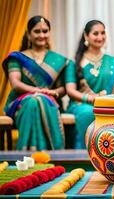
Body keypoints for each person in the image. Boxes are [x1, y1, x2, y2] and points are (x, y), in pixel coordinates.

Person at [2, 16, 68, 150]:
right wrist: (39, 91)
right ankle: (29, 151)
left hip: (48, 100)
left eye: (45, 31)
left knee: (38, 100)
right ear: (29, 34)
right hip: (20, 102)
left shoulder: (58, 60)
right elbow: (16, 84)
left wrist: (52, 92)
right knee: (34, 101)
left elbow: (63, 88)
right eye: (37, 31)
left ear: (49, 33)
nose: (41, 35)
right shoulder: (17, 57)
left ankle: (44, 153)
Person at [65, 20, 114, 149]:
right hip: (81, 104)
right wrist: (91, 98)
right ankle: (85, 155)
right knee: (90, 112)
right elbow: (70, 90)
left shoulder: (113, 62)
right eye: (95, 33)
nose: (100, 37)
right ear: (86, 36)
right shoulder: (74, 62)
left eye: (103, 33)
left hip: (106, 103)